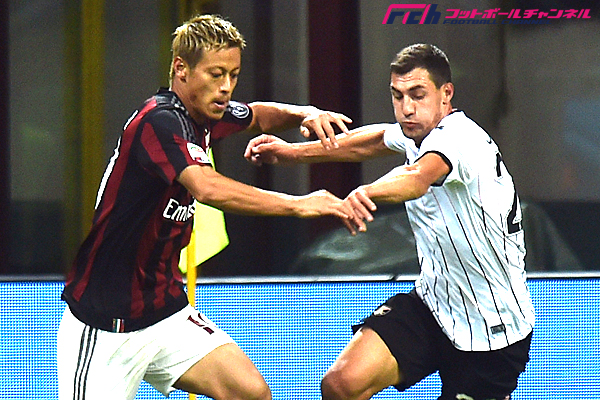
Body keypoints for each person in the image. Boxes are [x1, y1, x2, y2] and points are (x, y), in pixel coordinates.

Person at [57, 14, 362, 400]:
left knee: (251, 393)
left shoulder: (204, 114)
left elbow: (257, 114)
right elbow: (207, 187)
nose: (226, 87)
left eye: (233, 75)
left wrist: (306, 112)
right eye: (216, 74)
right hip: (106, 324)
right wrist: (300, 204)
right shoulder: (159, 122)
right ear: (180, 69)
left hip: (164, 312)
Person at [245, 43, 535, 400]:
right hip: (434, 305)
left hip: (493, 329)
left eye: (418, 95)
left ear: (446, 94)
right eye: (398, 96)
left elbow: (417, 177)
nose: (406, 108)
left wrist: (368, 192)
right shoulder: (418, 131)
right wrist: (290, 153)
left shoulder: (459, 139)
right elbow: (373, 140)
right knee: (341, 384)